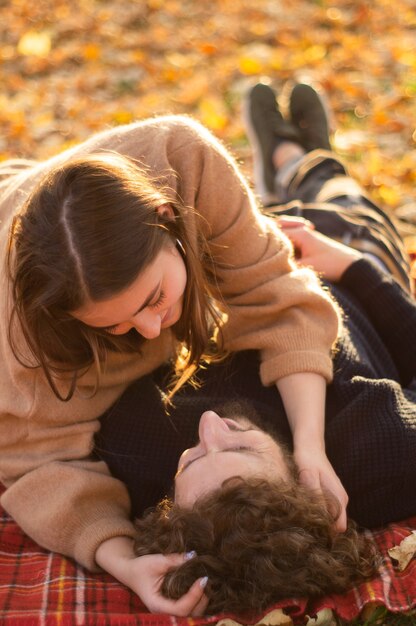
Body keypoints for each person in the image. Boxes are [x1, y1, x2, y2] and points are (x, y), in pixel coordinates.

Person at [0, 99, 341, 615]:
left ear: (168, 219)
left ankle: (299, 158)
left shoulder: (187, 160)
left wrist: (311, 450)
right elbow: (37, 459)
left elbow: (279, 303)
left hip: (58, 192)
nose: (151, 329)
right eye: (112, 325)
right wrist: (122, 559)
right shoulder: (26, 329)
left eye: (154, 299)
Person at [92, 82, 416, 614]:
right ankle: (309, 154)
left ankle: (281, 161)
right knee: (338, 192)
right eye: (241, 448)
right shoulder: (382, 453)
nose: (210, 427)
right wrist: (353, 267)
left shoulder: (139, 446)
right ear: (297, 483)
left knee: (252, 205)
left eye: (191, 458)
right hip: (339, 250)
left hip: (238, 252)